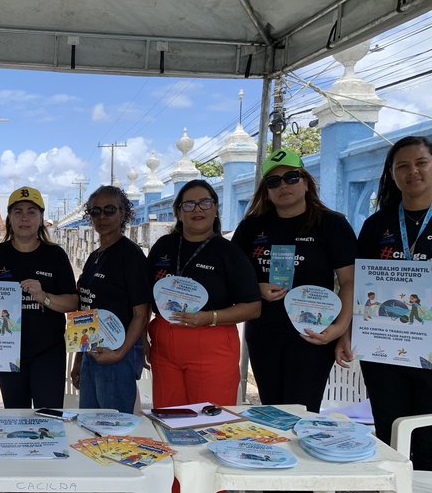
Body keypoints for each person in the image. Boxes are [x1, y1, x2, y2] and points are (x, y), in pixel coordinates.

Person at [336, 135, 432, 471]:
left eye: (420, 163)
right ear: (392, 173)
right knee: (388, 432)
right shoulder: (377, 225)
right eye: (402, 165)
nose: (412, 171)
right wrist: (347, 332)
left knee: (430, 438)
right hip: (381, 348)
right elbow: (357, 284)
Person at [231, 149, 356, 413]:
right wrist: (255, 289)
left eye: (291, 177)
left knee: (302, 411)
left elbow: (349, 282)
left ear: (306, 182)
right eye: (273, 182)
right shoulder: (251, 227)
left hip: (313, 333)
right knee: (273, 411)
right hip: (264, 333)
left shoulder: (331, 225)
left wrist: (341, 328)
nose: (283, 186)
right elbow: (232, 278)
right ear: (266, 191)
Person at [146, 180, 261, 408]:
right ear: (178, 211)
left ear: (216, 208)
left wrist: (209, 318)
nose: (197, 209)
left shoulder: (229, 252)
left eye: (205, 203)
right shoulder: (164, 246)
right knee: (169, 417)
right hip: (165, 345)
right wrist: (142, 340)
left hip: (211, 341)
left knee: (208, 422)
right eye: (188, 204)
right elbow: (144, 296)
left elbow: (253, 307)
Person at [0, 185, 79, 408]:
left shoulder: (55, 255)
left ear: (41, 218)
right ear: (10, 218)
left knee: (49, 417)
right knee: (16, 417)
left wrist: (45, 297)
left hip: (48, 352)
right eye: (18, 212)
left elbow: (73, 302)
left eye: (32, 211)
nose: (25, 217)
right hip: (8, 353)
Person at [71, 185, 152, 414]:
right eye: (96, 211)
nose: (102, 217)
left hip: (118, 357)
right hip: (91, 353)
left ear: (123, 213)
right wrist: (79, 358)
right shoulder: (94, 256)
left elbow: (141, 313)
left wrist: (119, 353)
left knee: (114, 429)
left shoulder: (130, 255)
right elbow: (86, 308)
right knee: (89, 424)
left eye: (109, 210)